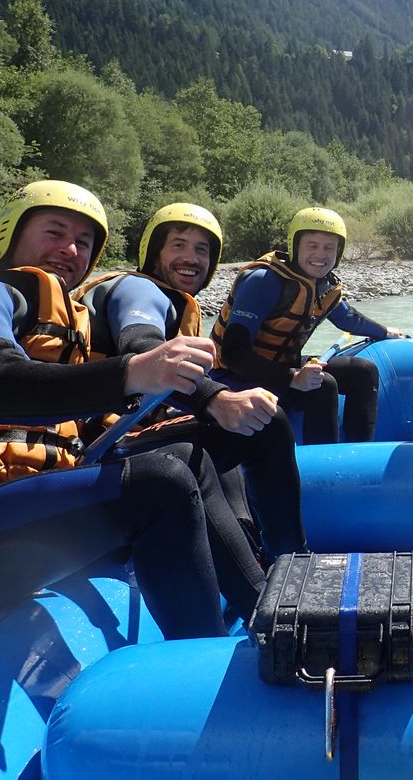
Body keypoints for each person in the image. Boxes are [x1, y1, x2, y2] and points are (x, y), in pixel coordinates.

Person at [0, 180, 230, 640]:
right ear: (10, 234)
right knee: (160, 484)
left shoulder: (63, 321)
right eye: (54, 232)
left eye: (83, 242)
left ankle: (262, 610)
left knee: (182, 457)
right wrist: (133, 372)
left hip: (15, 513)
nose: (70, 249)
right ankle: (205, 661)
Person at [77, 202, 306, 586]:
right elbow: (143, 345)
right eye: (178, 245)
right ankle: (292, 563)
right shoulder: (139, 290)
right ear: (154, 254)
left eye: (202, 250)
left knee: (228, 432)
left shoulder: (170, 300)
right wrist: (216, 399)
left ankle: (250, 546)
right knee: (265, 425)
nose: (191, 258)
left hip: (122, 437)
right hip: (101, 446)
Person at [211, 206, 406, 444]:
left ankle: (359, 451)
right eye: (312, 245)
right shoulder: (263, 281)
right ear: (295, 246)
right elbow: (234, 355)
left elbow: (346, 318)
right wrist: (292, 378)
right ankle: (325, 461)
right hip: (234, 376)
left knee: (363, 372)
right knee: (322, 385)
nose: (320, 254)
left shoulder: (322, 287)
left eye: (329, 247)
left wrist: (384, 332)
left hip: (282, 366)